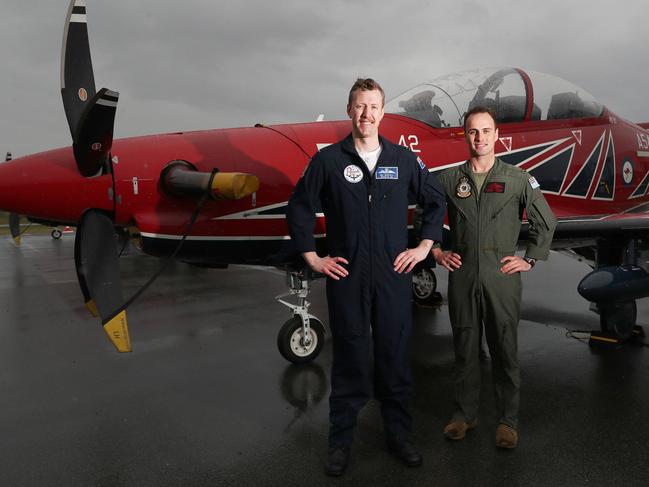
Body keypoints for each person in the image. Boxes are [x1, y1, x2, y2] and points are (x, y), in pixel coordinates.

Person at [287, 78, 445, 476]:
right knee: (350, 360)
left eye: (373, 106)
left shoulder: (404, 160)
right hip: (348, 276)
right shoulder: (329, 161)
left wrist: (424, 247)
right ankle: (340, 443)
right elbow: (301, 206)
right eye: (359, 106)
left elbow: (434, 199)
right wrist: (313, 257)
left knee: (394, 357)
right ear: (349, 109)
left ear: (382, 112)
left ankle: (399, 436)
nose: (366, 114)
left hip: (393, 276)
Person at [432, 106, 556, 449]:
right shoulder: (447, 180)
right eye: (473, 131)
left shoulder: (517, 179)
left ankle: (507, 421)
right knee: (465, 348)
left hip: (501, 276)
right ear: (465, 135)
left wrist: (530, 259)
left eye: (486, 131)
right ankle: (464, 415)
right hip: (462, 275)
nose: (480, 138)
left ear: (497, 135)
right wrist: (437, 252)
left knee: (505, 349)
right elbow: (424, 217)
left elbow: (546, 221)